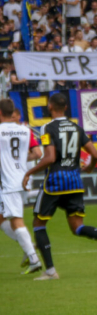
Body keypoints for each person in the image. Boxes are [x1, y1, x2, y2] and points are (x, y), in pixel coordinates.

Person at [22, 93, 97, 280]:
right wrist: (90, 168)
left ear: (50, 107)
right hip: (75, 182)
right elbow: (95, 154)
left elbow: (50, 158)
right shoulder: (77, 128)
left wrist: (29, 172)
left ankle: (50, 271)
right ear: (66, 108)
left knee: (38, 223)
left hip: (55, 182)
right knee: (77, 226)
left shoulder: (46, 128)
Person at [0, 99, 43, 274]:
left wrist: (9, 161)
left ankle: (33, 258)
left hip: (8, 182)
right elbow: (37, 153)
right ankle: (28, 246)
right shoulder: (26, 130)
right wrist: (16, 160)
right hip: (22, 178)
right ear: (13, 113)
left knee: (16, 220)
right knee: (2, 218)